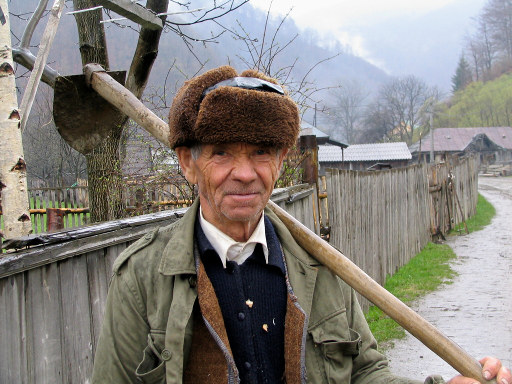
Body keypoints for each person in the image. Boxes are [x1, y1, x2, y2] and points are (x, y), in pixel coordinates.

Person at [91, 66, 511, 384]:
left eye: (260, 152)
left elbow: (366, 372)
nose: (244, 173)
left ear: (280, 161)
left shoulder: (320, 267)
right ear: (188, 163)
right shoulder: (143, 277)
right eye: (221, 153)